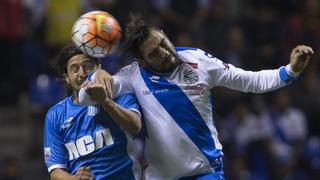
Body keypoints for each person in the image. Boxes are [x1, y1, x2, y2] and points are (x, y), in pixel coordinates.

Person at [80, 15, 314, 180]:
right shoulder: (131, 76)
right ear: (142, 61)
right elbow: (84, 97)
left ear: (163, 34)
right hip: (160, 176)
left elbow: (250, 81)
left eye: (163, 43)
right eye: (154, 53)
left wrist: (291, 70)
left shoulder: (198, 60)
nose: (165, 52)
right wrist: (96, 75)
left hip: (205, 172)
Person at [43, 44, 143, 180]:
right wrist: (74, 179)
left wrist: (106, 102)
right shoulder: (55, 115)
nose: (82, 73)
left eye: (87, 66)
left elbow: (135, 126)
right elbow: (55, 172)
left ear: (98, 68)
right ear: (67, 78)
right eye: (75, 69)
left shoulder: (118, 93)